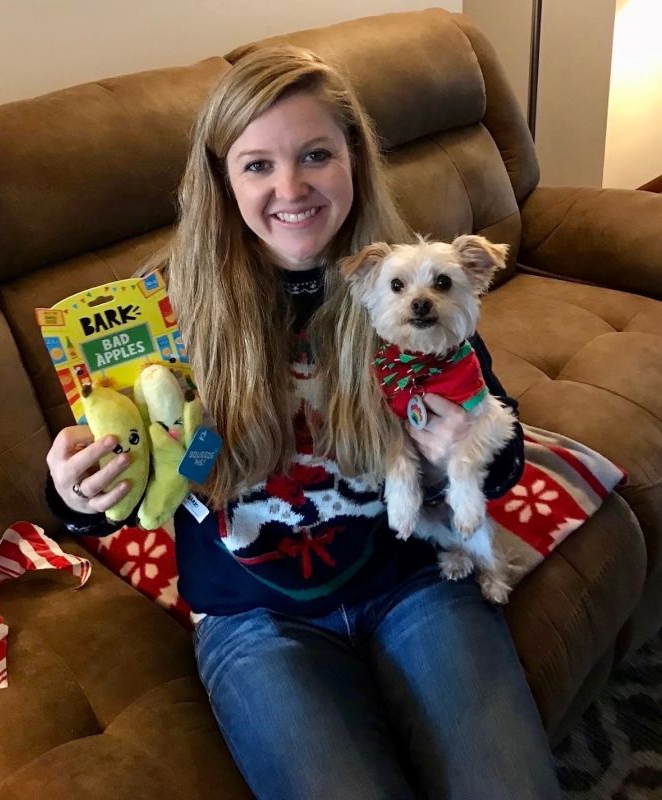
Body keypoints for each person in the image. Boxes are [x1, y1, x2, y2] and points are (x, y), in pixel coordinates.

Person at [46, 45, 562, 800]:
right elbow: (128, 476)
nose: (289, 187)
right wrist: (74, 491)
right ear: (222, 179)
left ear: (354, 158)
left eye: (315, 154)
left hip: (411, 573)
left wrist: (471, 451)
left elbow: (496, 434)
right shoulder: (158, 309)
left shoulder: (405, 278)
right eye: (257, 165)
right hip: (254, 617)